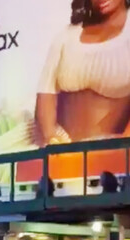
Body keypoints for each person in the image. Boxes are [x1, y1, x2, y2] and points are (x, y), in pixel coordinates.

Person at [35, 0, 130, 145]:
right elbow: (46, 93)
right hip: (55, 147)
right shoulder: (67, 36)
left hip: (111, 153)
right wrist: (50, 138)